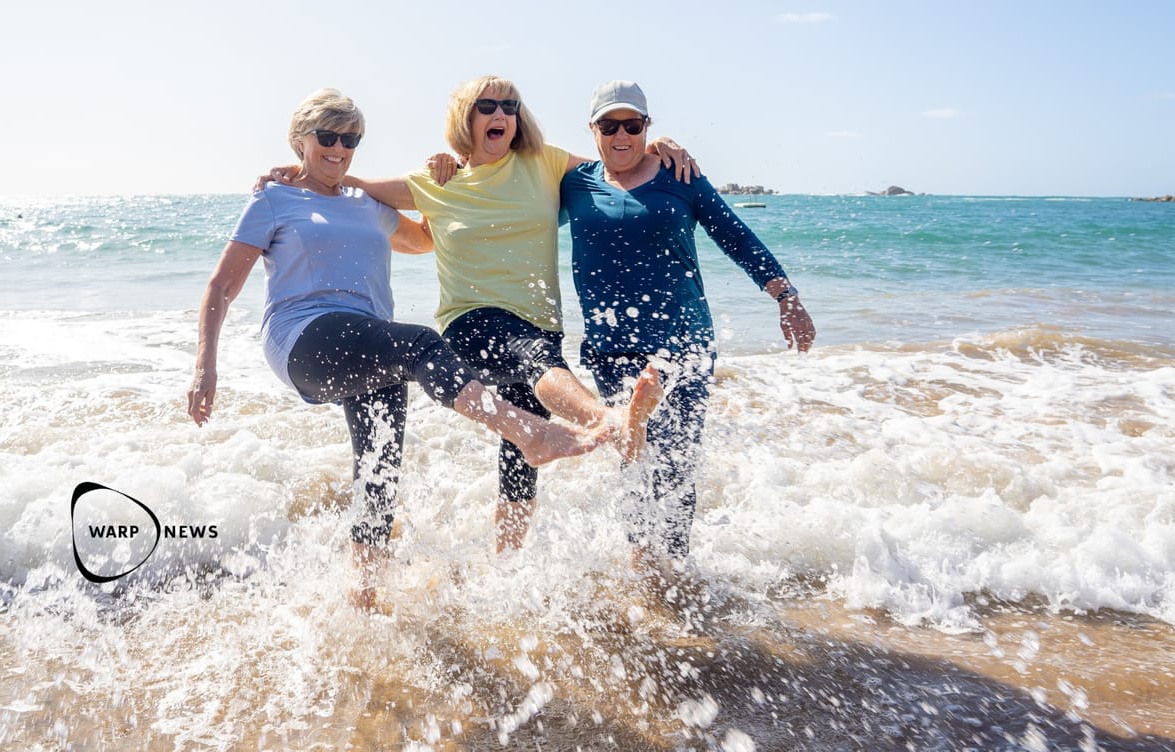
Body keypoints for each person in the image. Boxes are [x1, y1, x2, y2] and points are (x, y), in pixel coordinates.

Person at [188, 89, 606, 611]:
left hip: (368, 344)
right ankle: (530, 433)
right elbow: (220, 288)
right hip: (302, 337)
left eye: (351, 139)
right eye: (327, 137)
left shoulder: (367, 204)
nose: (339, 148)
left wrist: (446, 171)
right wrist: (206, 367)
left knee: (380, 466)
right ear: (300, 142)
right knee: (420, 344)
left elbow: (428, 237)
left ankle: (363, 597)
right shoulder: (274, 198)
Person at [284, 76, 700, 553]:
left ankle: (506, 564)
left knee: (523, 454)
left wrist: (657, 146)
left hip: (539, 322)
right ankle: (610, 422)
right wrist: (299, 168)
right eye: (487, 106)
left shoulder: (547, 164)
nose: (501, 114)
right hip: (472, 323)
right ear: (466, 117)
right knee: (535, 359)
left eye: (509, 106)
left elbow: (619, 167)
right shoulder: (436, 181)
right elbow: (348, 183)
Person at [559, 81, 816, 575]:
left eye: (633, 126)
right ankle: (643, 565)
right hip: (611, 347)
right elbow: (510, 195)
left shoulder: (681, 176)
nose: (621, 135)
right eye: (609, 125)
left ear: (647, 127)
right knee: (634, 459)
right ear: (592, 131)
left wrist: (786, 296)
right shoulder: (574, 183)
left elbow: (735, 236)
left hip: (683, 341)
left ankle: (673, 567)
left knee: (675, 463)